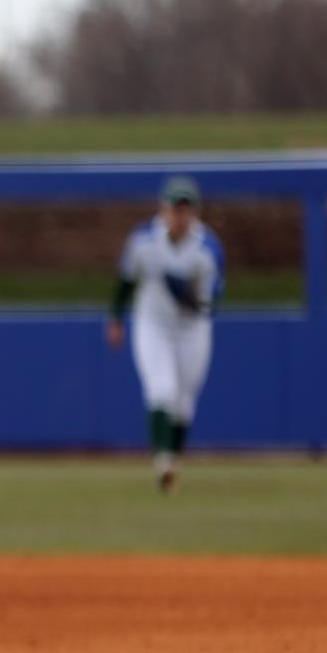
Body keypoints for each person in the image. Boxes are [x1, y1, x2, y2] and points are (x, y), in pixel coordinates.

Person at [106, 175, 224, 492]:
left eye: (186, 209)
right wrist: (115, 317)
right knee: (161, 389)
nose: (179, 215)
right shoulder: (144, 240)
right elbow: (126, 280)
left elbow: (209, 302)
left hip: (191, 328)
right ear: (163, 209)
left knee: (184, 401)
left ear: (195, 212)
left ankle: (174, 457)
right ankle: (163, 462)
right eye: (175, 208)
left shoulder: (206, 249)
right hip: (153, 324)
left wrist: (189, 295)